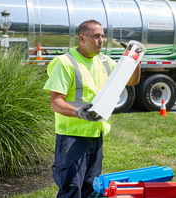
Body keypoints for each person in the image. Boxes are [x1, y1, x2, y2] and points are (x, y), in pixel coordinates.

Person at [43, 19, 140, 198]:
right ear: (82, 38)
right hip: (72, 138)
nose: (101, 40)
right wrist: (78, 113)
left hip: (96, 136)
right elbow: (56, 102)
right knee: (71, 189)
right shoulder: (65, 63)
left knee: (91, 188)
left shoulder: (104, 62)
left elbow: (132, 81)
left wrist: (134, 59)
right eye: (96, 36)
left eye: (102, 36)